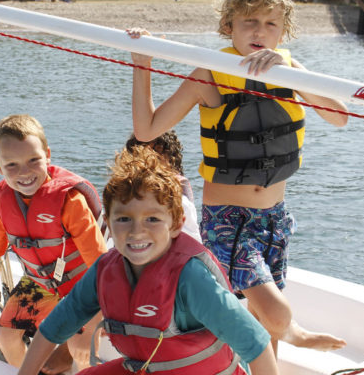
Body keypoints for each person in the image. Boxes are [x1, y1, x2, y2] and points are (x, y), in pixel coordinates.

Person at [126, 0, 348, 356]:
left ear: (283, 32)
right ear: (229, 25)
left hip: (273, 217)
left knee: (266, 326)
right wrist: (141, 60)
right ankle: (297, 332)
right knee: (277, 314)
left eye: (270, 24)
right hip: (227, 218)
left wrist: (294, 76)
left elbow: (339, 116)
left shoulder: (289, 72)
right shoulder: (209, 75)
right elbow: (147, 130)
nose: (260, 33)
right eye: (250, 22)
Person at [18, 146, 279, 375]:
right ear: (107, 222)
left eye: (152, 219)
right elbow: (51, 331)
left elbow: (257, 345)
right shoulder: (104, 271)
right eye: (123, 219)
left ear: (176, 224)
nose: (136, 231)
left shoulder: (190, 279)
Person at [0, 114, 107, 373]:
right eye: (11, 165)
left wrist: (91, 325)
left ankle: (70, 357)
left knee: (81, 348)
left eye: (33, 160)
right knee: (6, 336)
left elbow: (104, 268)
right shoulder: (2, 201)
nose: (24, 172)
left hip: (81, 291)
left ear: (47, 155)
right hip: (40, 285)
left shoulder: (69, 201)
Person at [125, 130, 201, 242]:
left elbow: (191, 240)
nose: (149, 166)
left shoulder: (180, 202)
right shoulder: (126, 193)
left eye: (157, 159)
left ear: (171, 161)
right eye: (142, 159)